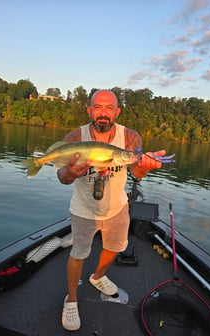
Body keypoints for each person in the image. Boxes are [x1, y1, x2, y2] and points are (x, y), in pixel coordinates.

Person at [57, 89, 166, 331]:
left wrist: (145, 167)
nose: (103, 113)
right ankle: (72, 298)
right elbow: (62, 176)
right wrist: (69, 174)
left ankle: (97, 277)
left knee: (115, 247)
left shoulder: (129, 137)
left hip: (117, 207)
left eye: (109, 108)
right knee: (78, 253)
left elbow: (136, 172)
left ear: (117, 111)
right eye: (98, 107)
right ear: (89, 110)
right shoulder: (76, 136)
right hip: (84, 207)